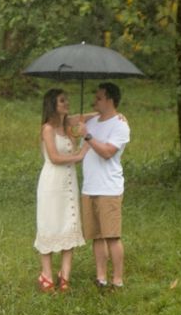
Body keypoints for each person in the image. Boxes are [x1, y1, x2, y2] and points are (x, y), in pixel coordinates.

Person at [34, 88, 87, 292]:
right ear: (52, 105)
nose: (67, 103)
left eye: (67, 99)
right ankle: (46, 274)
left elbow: (84, 117)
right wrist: (80, 155)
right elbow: (55, 158)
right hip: (51, 183)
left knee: (68, 223)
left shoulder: (66, 127)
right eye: (62, 101)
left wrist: (106, 115)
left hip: (69, 182)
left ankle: (65, 276)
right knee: (49, 224)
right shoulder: (47, 128)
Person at [79, 82, 130, 289]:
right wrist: (88, 120)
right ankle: (101, 277)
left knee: (112, 236)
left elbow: (107, 152)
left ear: (110, 100)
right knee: (97, 236)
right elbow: (70, 122)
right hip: (89, 187)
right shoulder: (92, 122)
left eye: (99, 98)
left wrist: (88, 136)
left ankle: (117, 279)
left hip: (109, 188)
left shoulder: (120, 125)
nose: (95, 100)